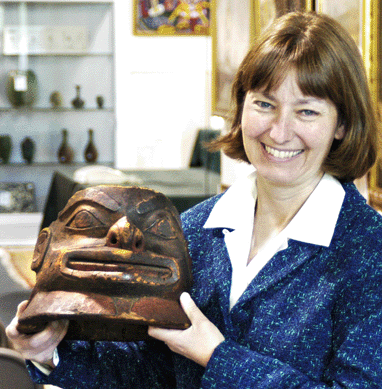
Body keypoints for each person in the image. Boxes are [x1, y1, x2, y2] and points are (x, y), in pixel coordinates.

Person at [6, 11, 382, 388]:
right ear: (241, 107)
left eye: (307, 111)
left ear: (342, 125)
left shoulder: (369, 250)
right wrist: (50, 352)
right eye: (264, 104)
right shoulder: (196, 230)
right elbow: (153, 370)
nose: (279, 131)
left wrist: (217, 355)